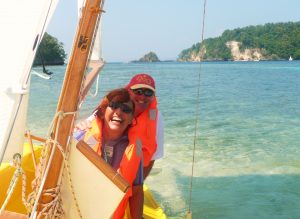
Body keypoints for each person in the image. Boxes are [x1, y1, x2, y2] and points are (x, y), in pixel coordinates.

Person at [74, 88, 143, 219]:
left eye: (126, 109)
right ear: (104, 110)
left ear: (131, 118)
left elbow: (137, 190)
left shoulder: (134, 148)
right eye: (114, 106)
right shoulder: (82, 135)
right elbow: (54, 161)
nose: (118, 112)